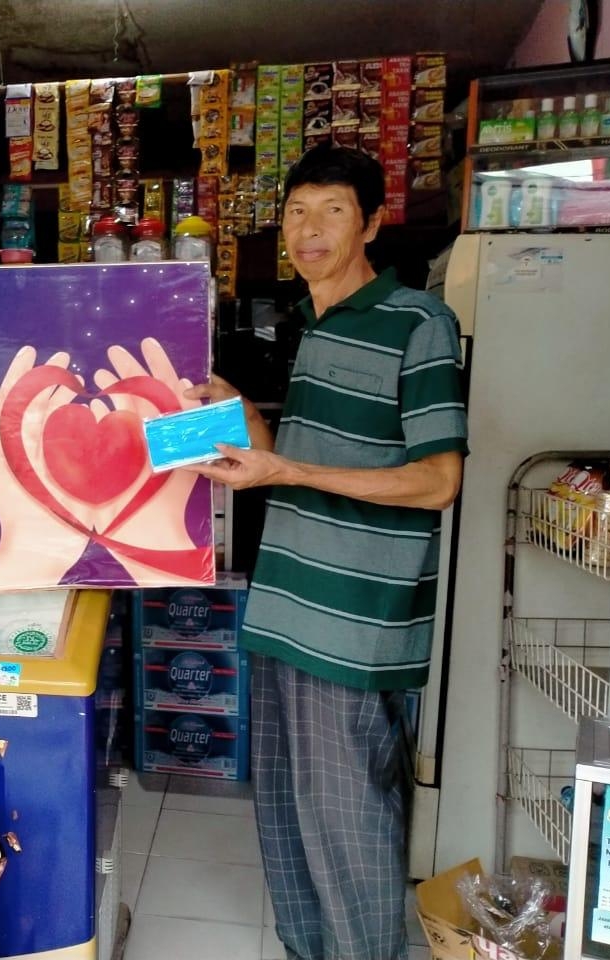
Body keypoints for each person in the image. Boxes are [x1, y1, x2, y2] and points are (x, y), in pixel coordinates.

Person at [187, 143, 467, 960]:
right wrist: (237, 411)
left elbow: (436, 481)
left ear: (372, 223)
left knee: (347, 825)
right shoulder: (313, 326)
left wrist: (287, 467)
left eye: (333, 210)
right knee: (285, 815)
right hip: (285, 608)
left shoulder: (419, 321)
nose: (311, 229)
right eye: (297, 211)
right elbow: (285, 459)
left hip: (354, 621)